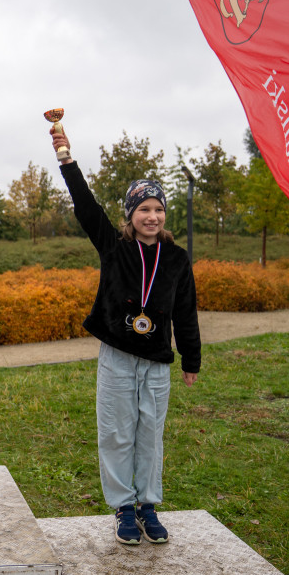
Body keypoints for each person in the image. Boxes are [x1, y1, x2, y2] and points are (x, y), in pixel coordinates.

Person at [51, 128, 200, 545]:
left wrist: (191, 359)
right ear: (130, 214)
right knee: (116, 431)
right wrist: (67, 162)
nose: (152, 217)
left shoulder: (176, 258)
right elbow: (85, 206)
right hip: (117, 356)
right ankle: (123, 508)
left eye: (158, 209)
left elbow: (185, 311)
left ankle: (148, 505)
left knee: (150, 434)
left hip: (156, 359)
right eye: (143, 209)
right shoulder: (113, 247)